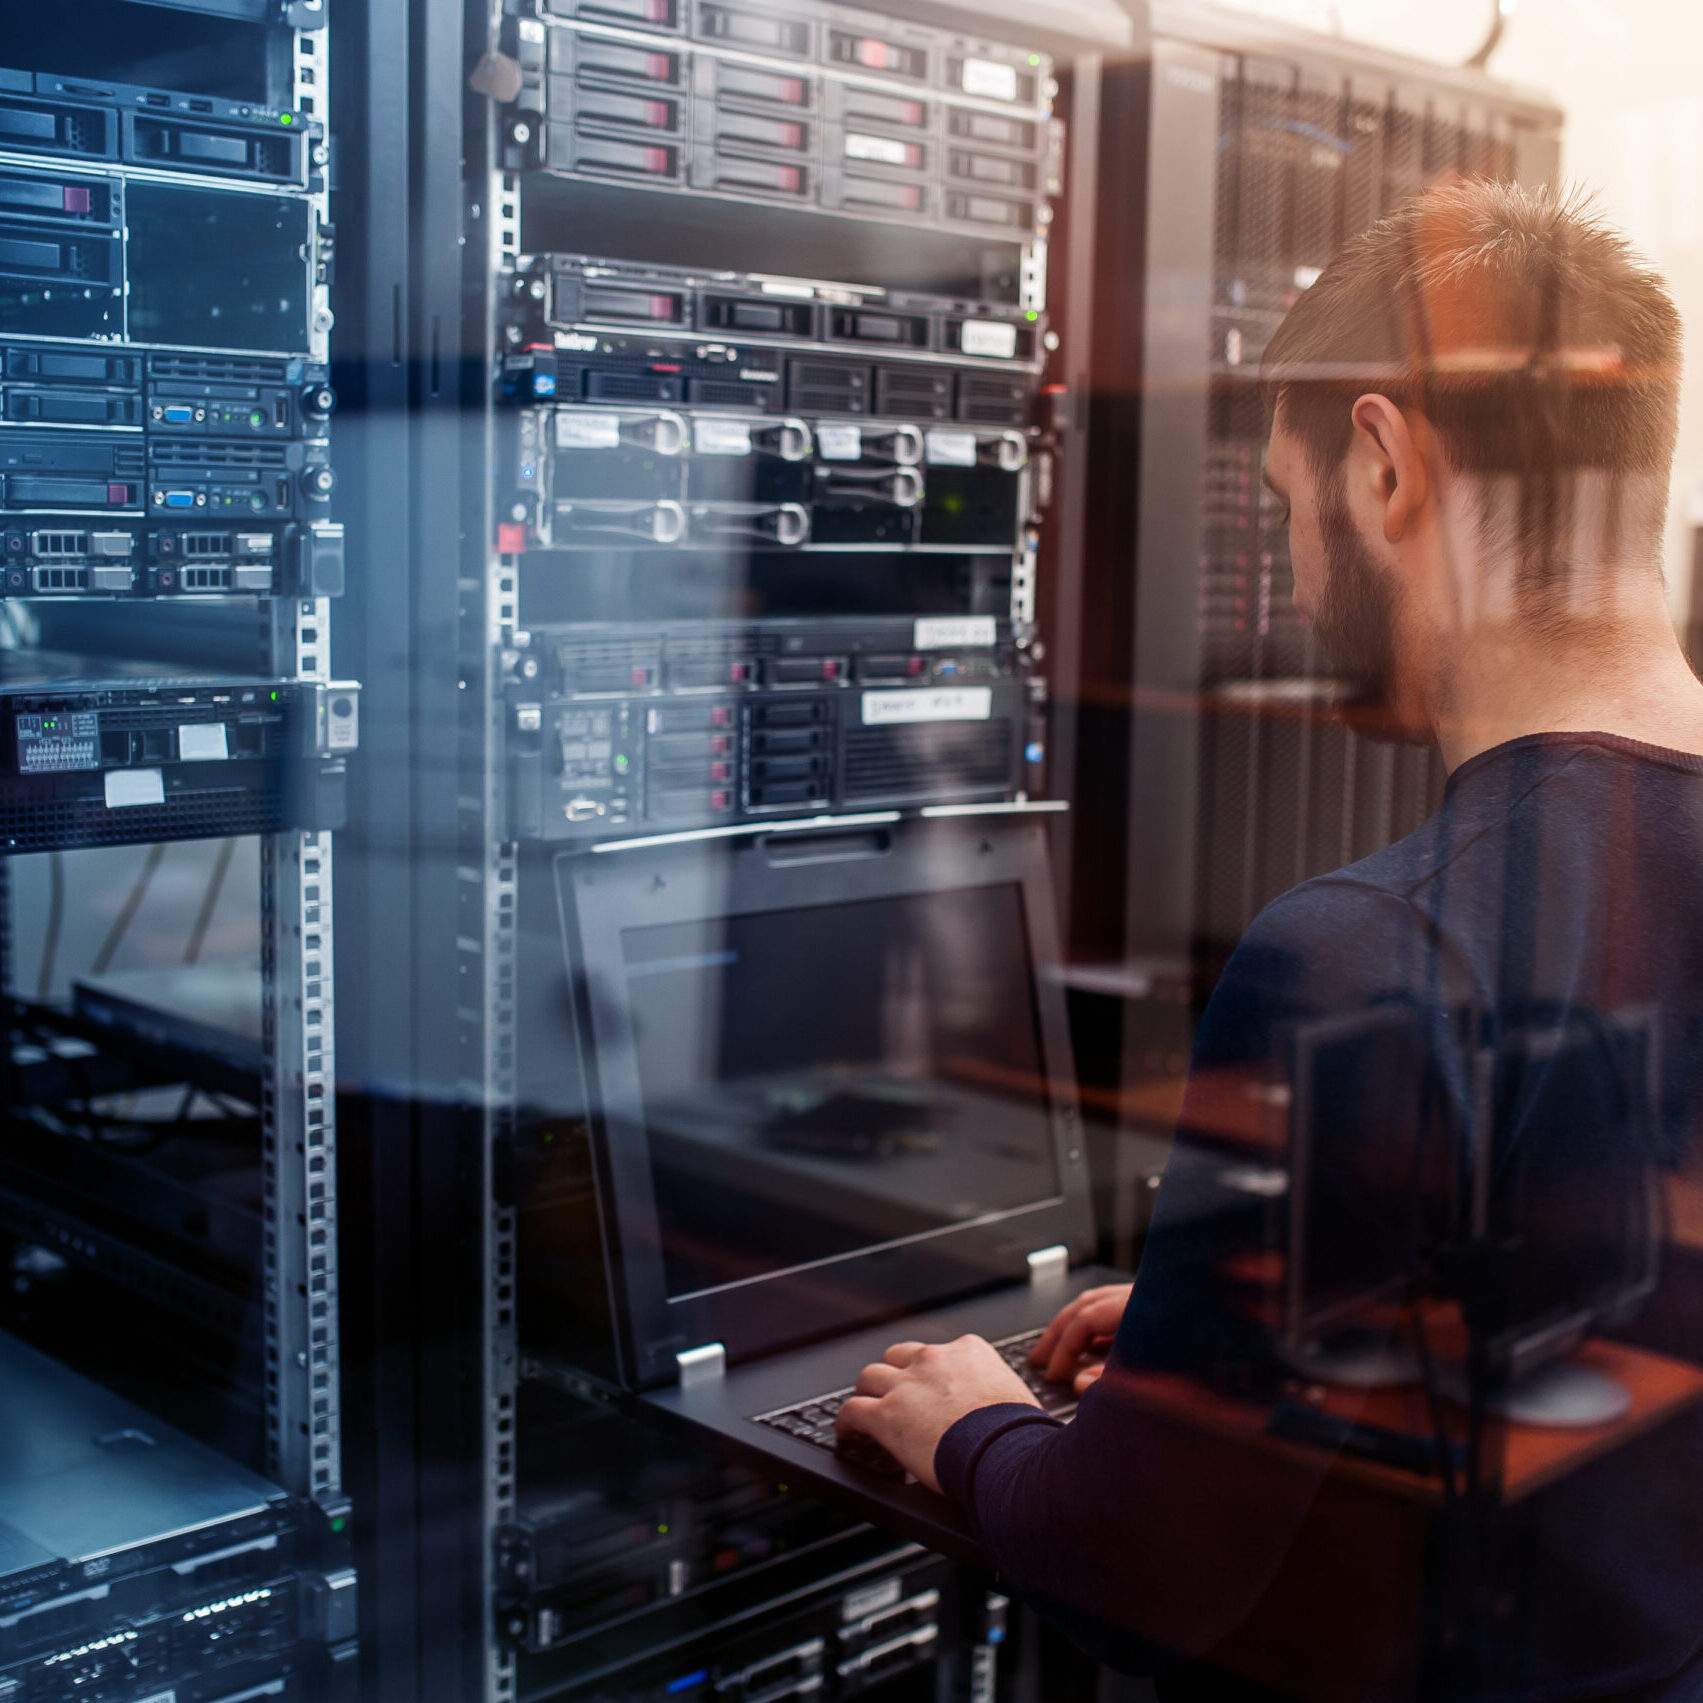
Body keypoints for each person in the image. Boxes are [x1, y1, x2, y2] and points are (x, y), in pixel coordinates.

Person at [836, 180, 1703, 1700]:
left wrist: (967, 1423)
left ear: (1386, 463)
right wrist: (1215, 1338)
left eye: (1291, 511)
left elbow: (1147, 1572)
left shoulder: (1367, 956)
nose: (1299, 578)